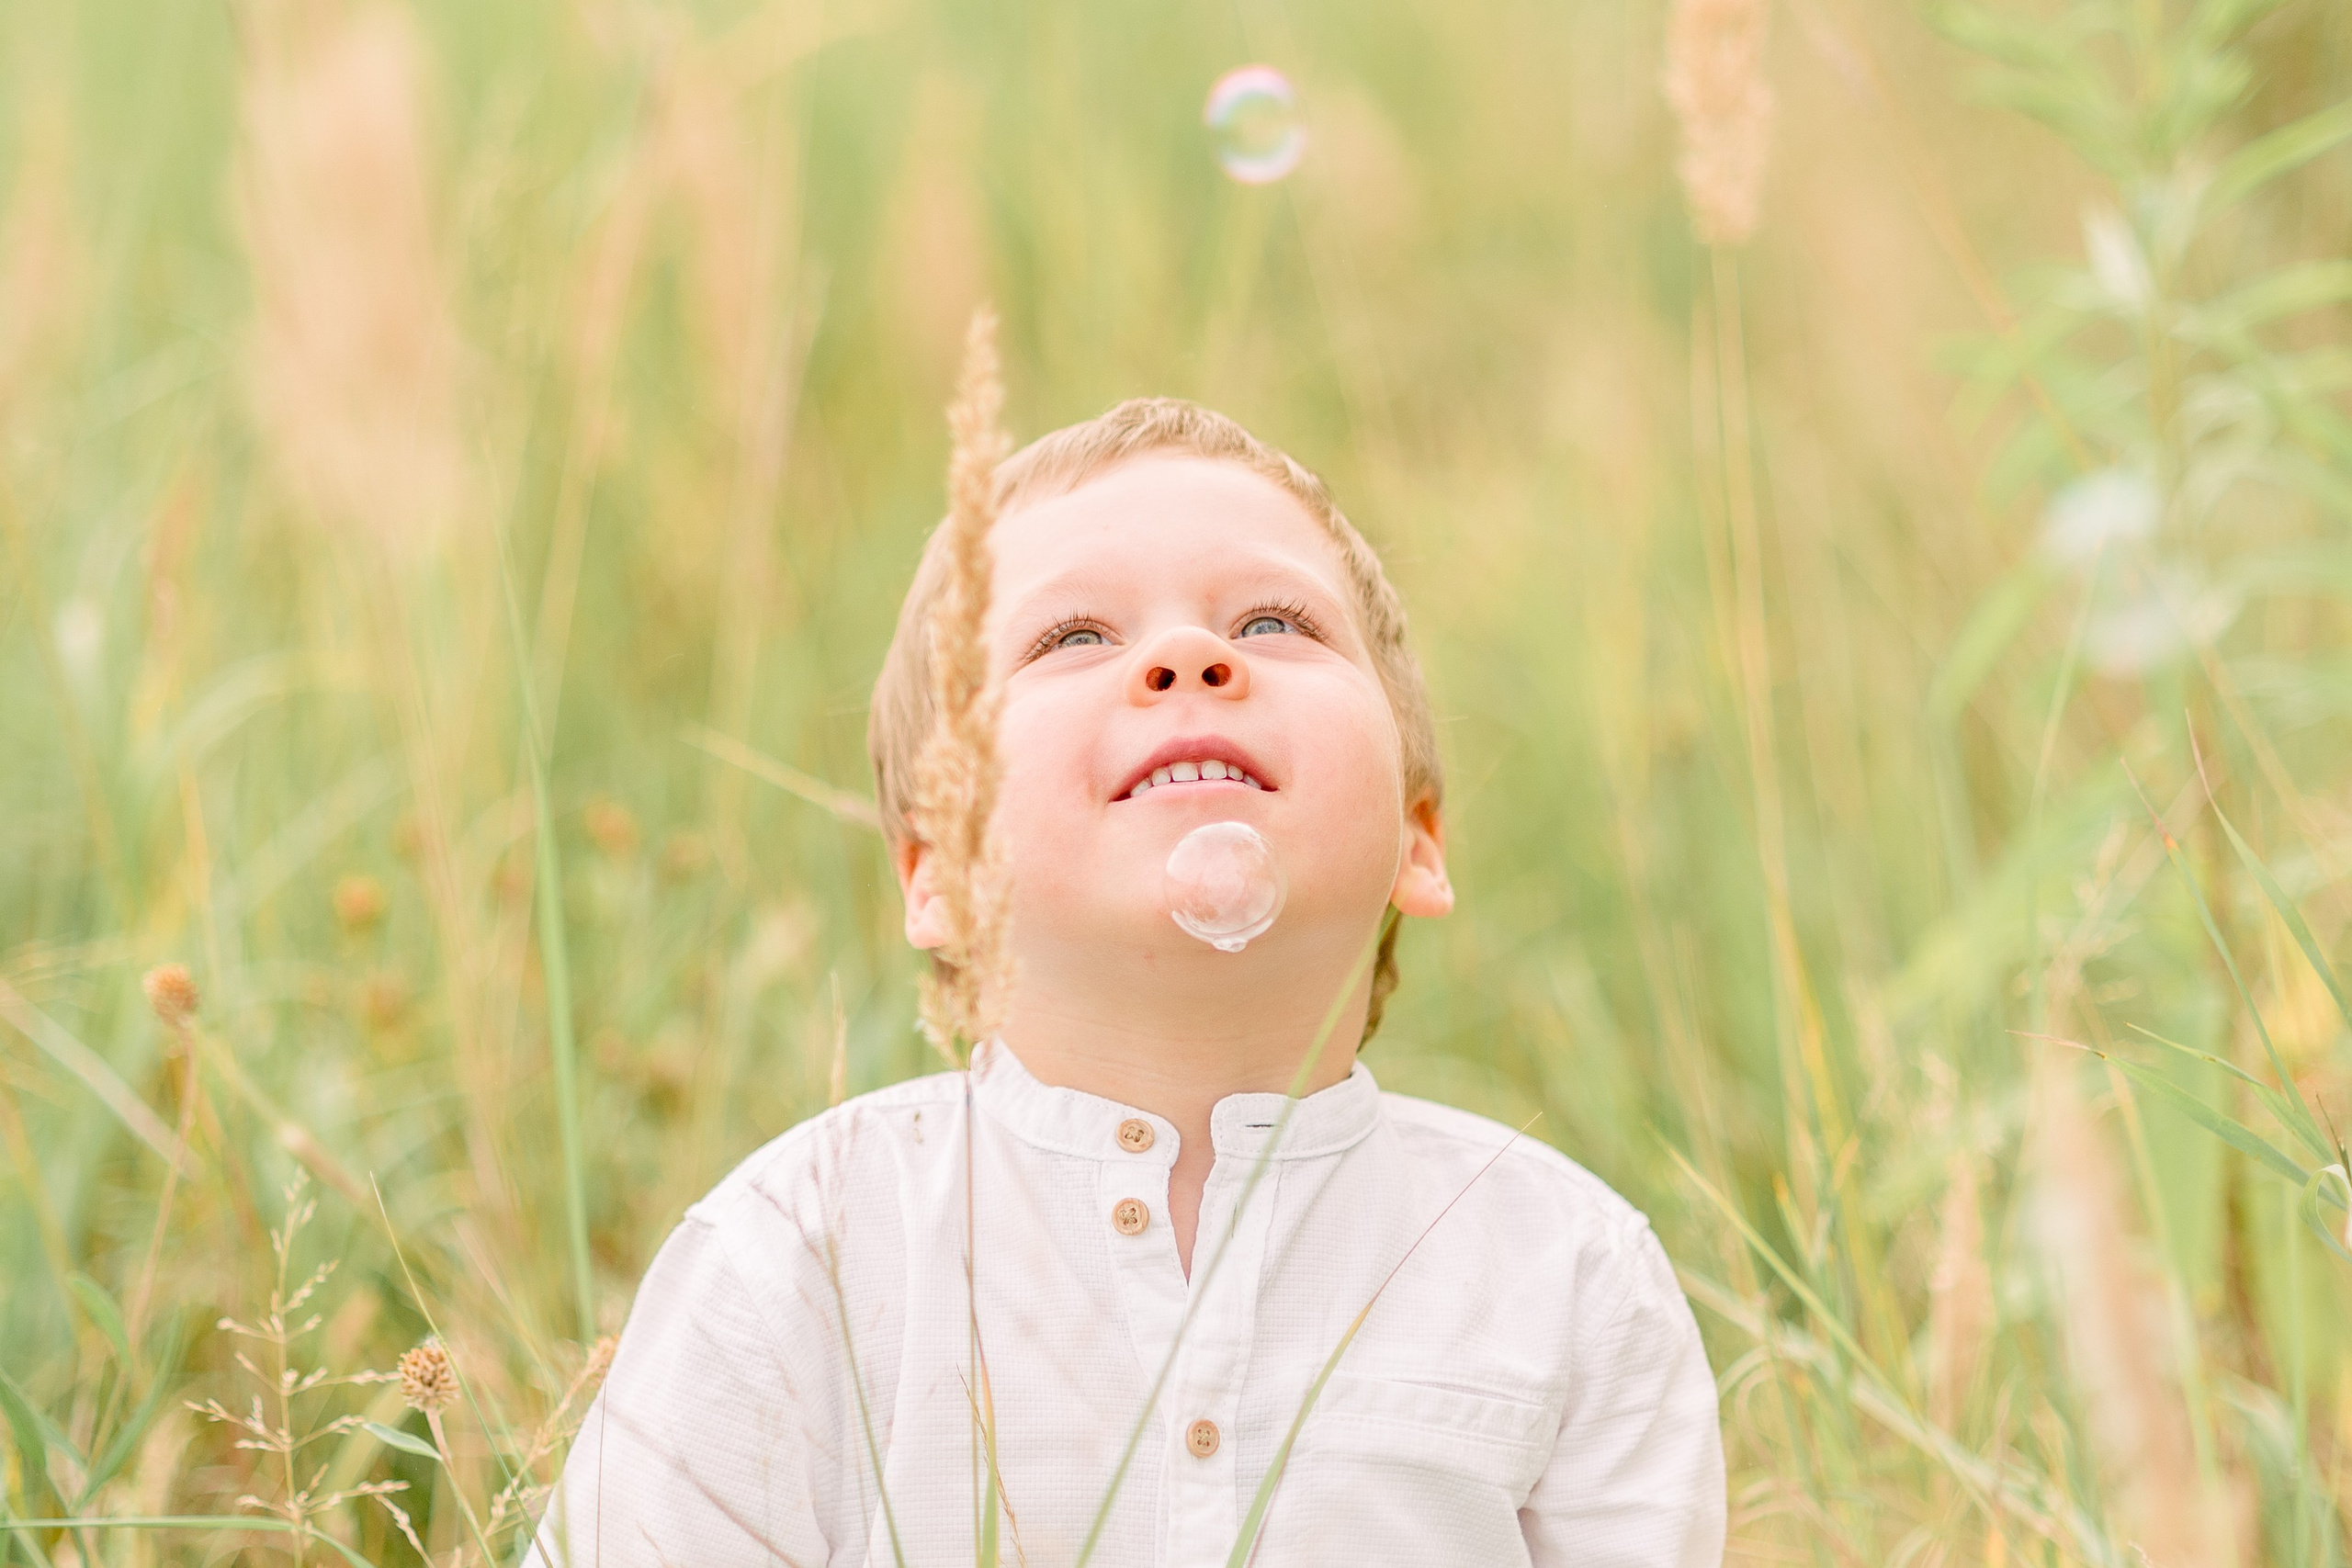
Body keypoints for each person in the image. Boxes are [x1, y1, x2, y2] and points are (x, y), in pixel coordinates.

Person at [532, 398, 1725, 1566]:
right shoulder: (798, 1261)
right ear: (942, 867)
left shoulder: (1566, 1274)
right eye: (1072, 639)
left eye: (1271, 624)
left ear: (1417, 839)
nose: (1187, 659)